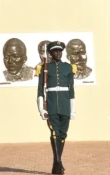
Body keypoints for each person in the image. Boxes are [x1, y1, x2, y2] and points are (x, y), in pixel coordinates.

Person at [36, 41, 76, 175]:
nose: (58, 53)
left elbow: (71, 90)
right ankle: (59, 162)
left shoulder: (68, 67)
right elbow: (40, 89)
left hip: (65, 105)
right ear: (51, 53)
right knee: (54, 133)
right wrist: (42, 108)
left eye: (60, 51)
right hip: (51, 105)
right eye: (55, 51)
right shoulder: (45, 68)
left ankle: (56, 165)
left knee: (63, 134)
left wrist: (72, 109)